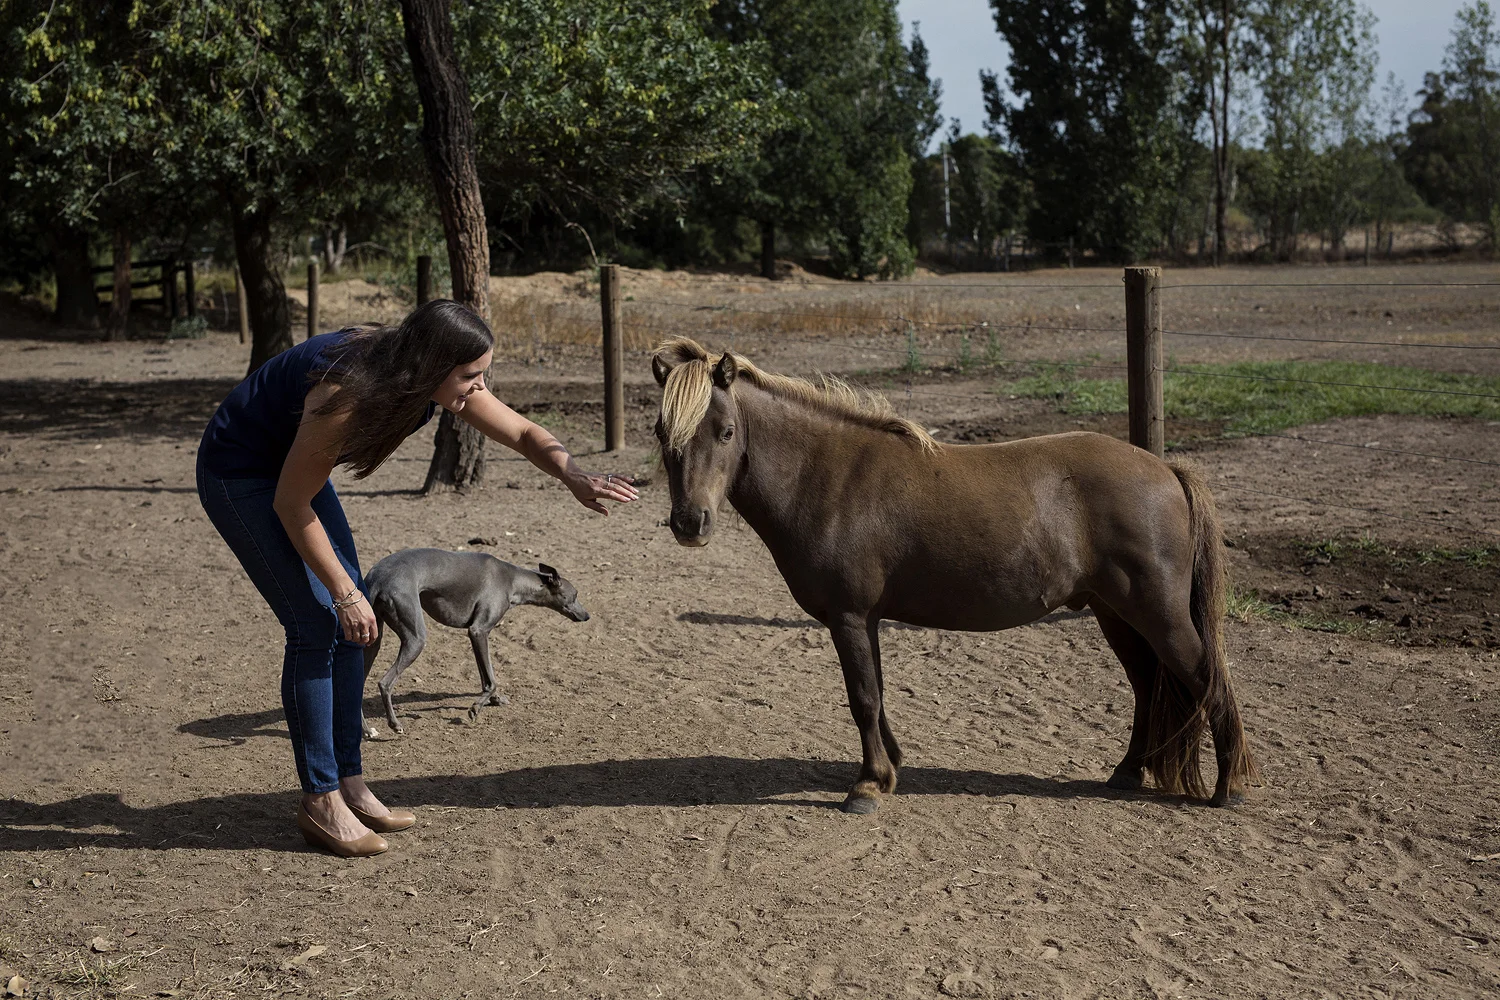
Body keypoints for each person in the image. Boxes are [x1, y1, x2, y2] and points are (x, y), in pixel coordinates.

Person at [196, 300, 638, 857]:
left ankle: (350, 783)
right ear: (432, 363)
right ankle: (319, 801)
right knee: (318, 622)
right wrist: (345, 590)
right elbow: (290, 503)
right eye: (471, 375)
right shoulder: (346, 390)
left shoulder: (426, 379)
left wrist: (573, 474)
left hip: (290, 473)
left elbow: (524, 432)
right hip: (242, 474)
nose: (480, 387)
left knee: (359, 627)